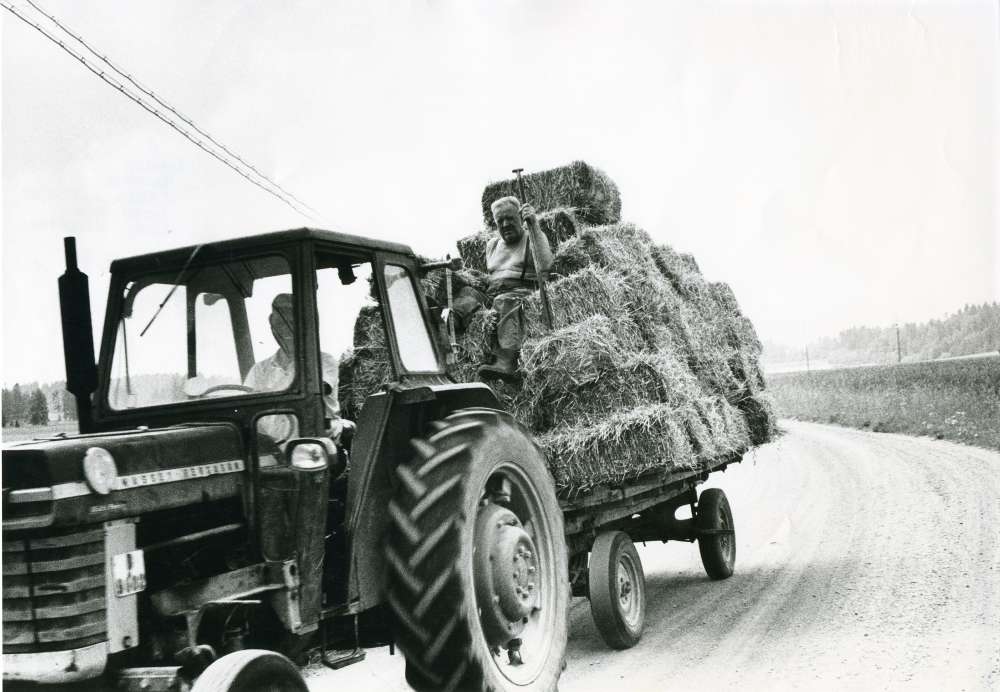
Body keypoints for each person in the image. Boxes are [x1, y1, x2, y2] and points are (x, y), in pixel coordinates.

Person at [453, 196, 554, 382]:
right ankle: (448, 333)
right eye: (500, 221)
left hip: (520, 290)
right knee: (465, 295)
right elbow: (491, 276)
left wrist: (534, 224)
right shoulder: (492, 245)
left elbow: (546, 265)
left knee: (504, 301)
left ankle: (506, 360)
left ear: (520, 217)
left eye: (510, 218)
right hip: (493, 291)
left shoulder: (532, 237)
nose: (505, 224)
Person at [244, 293, 348, 446]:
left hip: (314, 445)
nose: (285, 330)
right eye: (279, 324)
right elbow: (245, 402)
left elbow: (317, 389)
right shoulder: (260, 369)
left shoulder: (323, 361)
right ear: (272, 327)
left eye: (291, 323)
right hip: (272, 447)